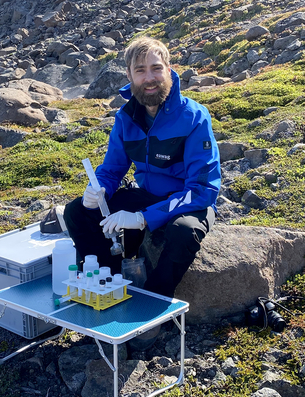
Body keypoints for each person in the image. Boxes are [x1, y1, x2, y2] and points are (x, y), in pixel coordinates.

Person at [63, 36, 221, 299]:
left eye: (156, 68)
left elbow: (203, 190)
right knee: (77, 212)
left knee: (183, 233)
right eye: (140, 70)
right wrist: (99, 187)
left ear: (169, 70)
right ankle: (110, 285)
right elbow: (113, 168)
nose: (150, 78)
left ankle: (153, 302)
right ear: (129, 75)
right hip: (146, 195)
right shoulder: (126, 118)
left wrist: (144, 218)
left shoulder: (193, 117)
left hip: (188, 201)